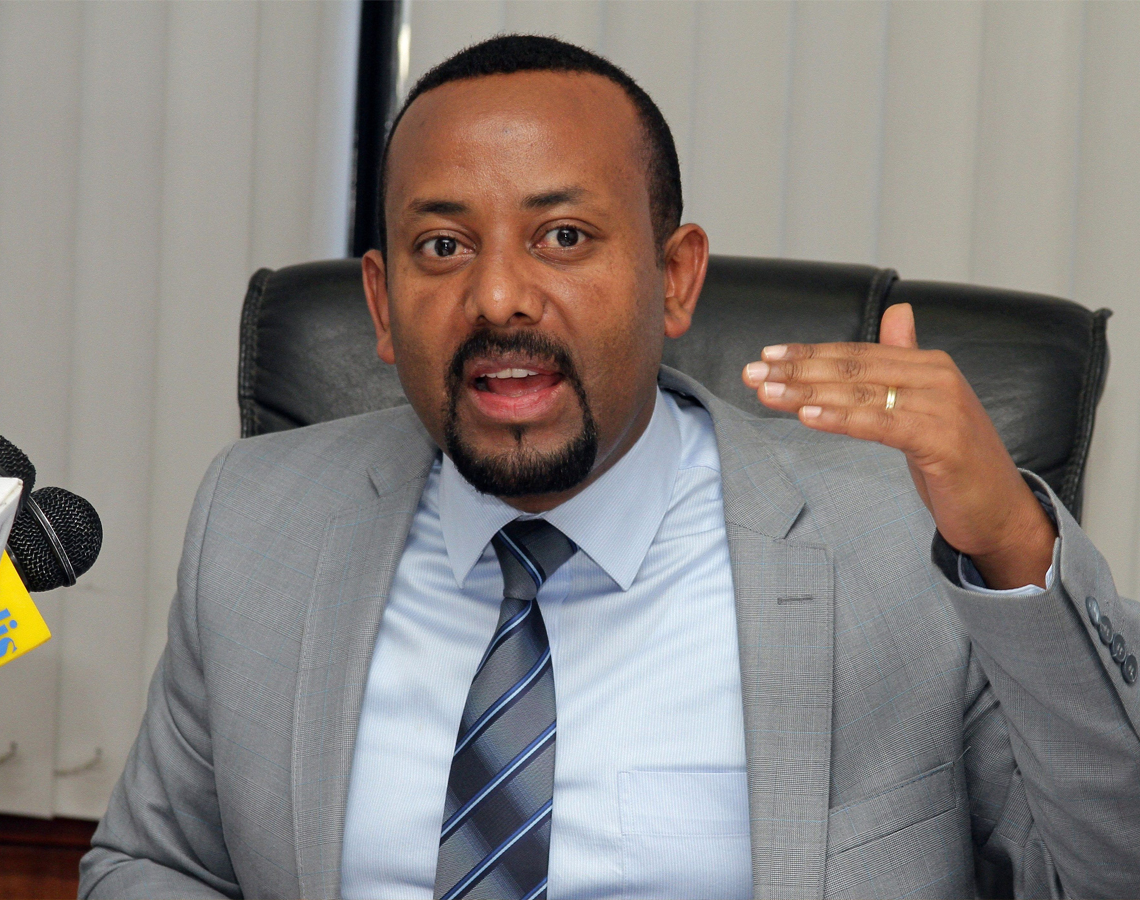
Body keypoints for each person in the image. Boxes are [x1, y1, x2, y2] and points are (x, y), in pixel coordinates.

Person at [80, 35, 1140, 900]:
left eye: (564, 237)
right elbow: (156, 864)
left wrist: (1011, 544)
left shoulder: (899, 544)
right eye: (443, 246)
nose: (499, 297)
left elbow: (1109, 871)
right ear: (381, 304)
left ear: (674, 279)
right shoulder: (256, 518)